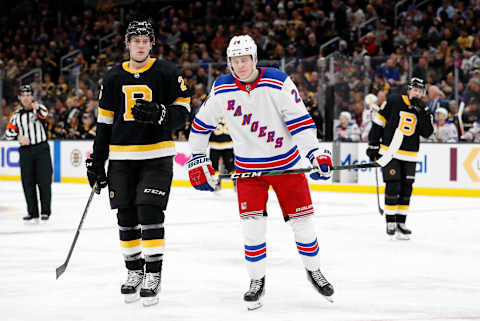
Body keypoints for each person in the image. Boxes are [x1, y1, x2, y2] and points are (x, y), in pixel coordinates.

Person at [187, 35, 334, 310]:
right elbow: (200, 126)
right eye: (235, 61)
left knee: (304, 225)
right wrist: (197, 159)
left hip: (287, 166)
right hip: (248, 172)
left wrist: (315, 153)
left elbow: (301, 122)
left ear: (254, 59)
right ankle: (256, 282)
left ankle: (313, 270)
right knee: (252, 231)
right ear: (229, 62)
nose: (240, 65)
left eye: (245, 59)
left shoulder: (278, 81)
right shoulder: (221, 89)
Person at [85, 21, 191, 306]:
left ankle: (153, 275)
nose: (141, 45)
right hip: (121, 157)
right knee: (126, 217)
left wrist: (161, 114)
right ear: (127, 43)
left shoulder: (167, 72)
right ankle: (134, 271)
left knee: (149, 212)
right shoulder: (112, 77)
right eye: (136, 40)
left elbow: (184, 114)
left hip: (156, 156)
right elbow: (104, 123)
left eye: (145, 40)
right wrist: (97, 160)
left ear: (151, 43)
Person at [366, 77, 433, 240]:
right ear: (409, 89)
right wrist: (373, 144)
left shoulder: (424, 108)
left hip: (410, 154)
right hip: (390, 152)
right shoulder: (394, 100)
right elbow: (378, 123)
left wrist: (421, 113)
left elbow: (427, 132)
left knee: (406, 189)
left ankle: (401, 223)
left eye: (420, 91)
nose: (417, 93)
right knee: (393, 185)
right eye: (415, 90)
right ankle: (390, 221)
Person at [4, 84, 52, 222]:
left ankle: (45, 212)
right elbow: (8, 133)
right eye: (23, 96)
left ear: (32, 97)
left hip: (41, 149)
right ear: (19, 98)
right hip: (25, 151)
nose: (26, 98)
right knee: (28, 182)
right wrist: (18, 137)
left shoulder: (39, 108)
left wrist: (36, 108)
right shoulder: (16, 116)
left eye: (28, 95)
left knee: (44, 182)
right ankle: (32, 212)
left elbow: (44, 114)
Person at [209, 117, 234, 190]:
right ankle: (217, 183)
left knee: (230, 167)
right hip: (221, 145)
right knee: (216, 167)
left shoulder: (212, 113)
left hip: (223, 145)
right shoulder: (229, 113)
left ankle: (235, 182)